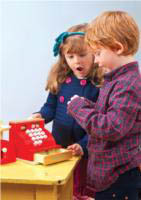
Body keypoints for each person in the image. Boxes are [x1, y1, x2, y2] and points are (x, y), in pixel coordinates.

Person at [67, 11, 141, 200]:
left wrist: (79, 108)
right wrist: (85, 104)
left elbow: (111, 127)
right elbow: (107, 113)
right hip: (110, 177)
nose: (97, 61)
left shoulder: (128, 84)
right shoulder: (117, 79)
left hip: (119, 178)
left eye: (98, 54)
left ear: (117, 47)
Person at [29, 23, 104, 200]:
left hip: (86, 150)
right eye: (70, 56)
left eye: (82, 55)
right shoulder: (62, 79)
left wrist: (83, 145)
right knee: (62, 187)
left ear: (95, 52)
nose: (76, 61)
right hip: (59, 147)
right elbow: (50, 107)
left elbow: (100, 123)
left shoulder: (99, 84)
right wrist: (39, 116)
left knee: (84, 187)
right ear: (63, 58)